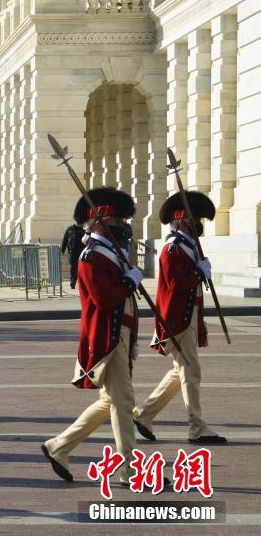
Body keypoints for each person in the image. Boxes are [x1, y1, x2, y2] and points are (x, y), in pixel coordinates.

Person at [42, 188, 143, 487]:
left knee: (111, 401)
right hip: (106, 338)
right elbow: (103, 299)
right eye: (116, 220)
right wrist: (127, 282)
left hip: (119, 335)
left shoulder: (111, 254)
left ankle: (59, 446)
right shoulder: (91, 256)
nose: (122, 225)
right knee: (123, 403)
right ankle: (127, 469)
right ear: (98, 222)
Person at [132, 191, 227, 446]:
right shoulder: (173, 248)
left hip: (189, 315)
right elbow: (177, 285)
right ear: (184, 220)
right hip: (178, 318)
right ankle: (197, 427)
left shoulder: (188, 246)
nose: (199, 224)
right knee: (191, 371)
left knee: (181, 370)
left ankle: (143, 415)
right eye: (196, 219)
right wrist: (199, 273)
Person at [60, 223, 85, 289]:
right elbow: (65, 240)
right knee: (73, 267)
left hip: (81, 252)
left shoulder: (83, 229)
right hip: (72, 252)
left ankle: (81, 282)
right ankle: (73, 282)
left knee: (81, 267)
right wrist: (62, 250)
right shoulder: (69, 229)